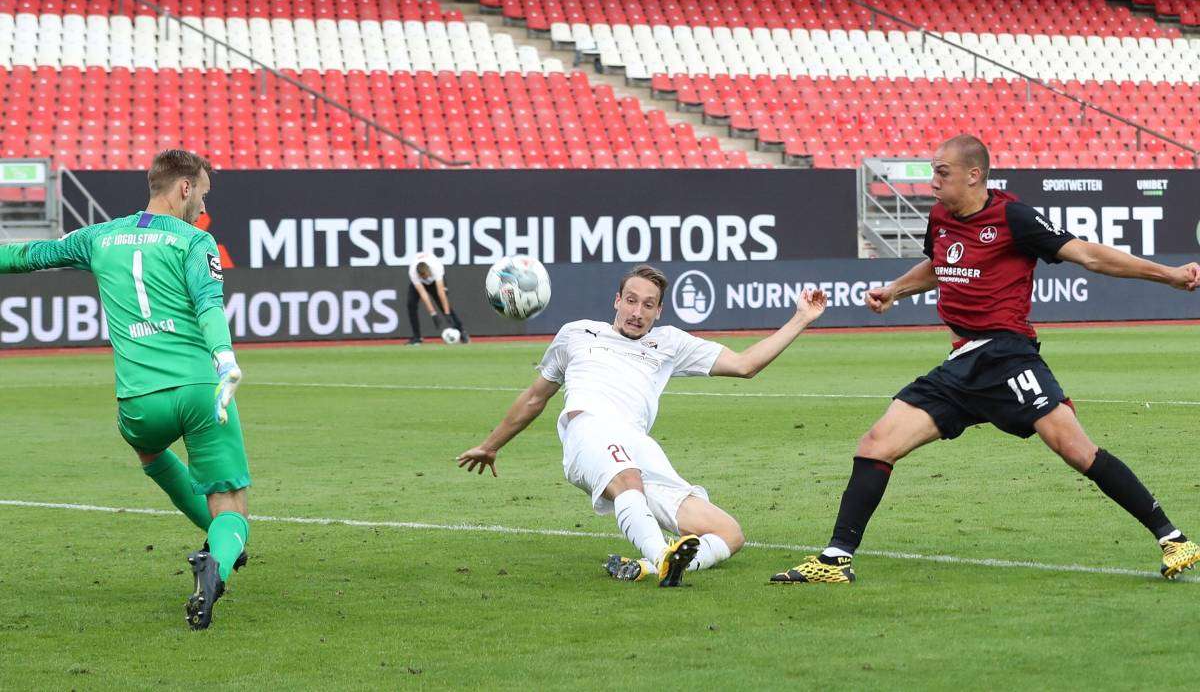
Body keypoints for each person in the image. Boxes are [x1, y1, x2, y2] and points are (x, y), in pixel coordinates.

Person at [771, 134, 1200, 585]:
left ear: (974, 175)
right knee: (876, 443)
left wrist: (1169, 275)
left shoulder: (1014, 217)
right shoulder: (940, 217)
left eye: (942, 172)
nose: (933, 182)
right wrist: (895, 288)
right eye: (932, 172)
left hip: (1006, 356)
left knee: (1075, 450)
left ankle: (1173, 537)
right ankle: (836, 559)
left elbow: (1089, 255)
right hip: (961, 364)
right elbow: (939, 265)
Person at [0, 150, 252, 628]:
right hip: (199, 390)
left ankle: (221, 547)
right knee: (232, 505)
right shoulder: (194, 241)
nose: (202, 205)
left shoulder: (99, 236)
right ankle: (218, 555)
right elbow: (209, 306)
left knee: (152, 455)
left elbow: (26, 256)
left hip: (137, 402)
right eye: (202, 193)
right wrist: (225, 359)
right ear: (183, 188)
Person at [457, 264, 828, 586]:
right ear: (616, 300)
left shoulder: (669, 344)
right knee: (628, 480)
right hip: (588, 429)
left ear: (659, 311)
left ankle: (656, 566)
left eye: (648, 305)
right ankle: (663, 555)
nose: (637, 311)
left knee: (729, 533)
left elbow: (746, 365)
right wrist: (491, 445)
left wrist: (801, 319)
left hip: (638, 444)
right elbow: (536, 397)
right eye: (631, 301)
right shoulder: (576, 334)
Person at [406, 251, 467, 344]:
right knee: (411, 304)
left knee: (444, 305)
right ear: (418, 275)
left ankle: (461, 331)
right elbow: (424, 295)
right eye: (423, 277)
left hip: (435, 283)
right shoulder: (413, 273)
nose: (426, 279)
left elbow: (441, 293)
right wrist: (433, 314)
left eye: (426, 276)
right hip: (420, 284)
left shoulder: (436, 268)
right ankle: (417, 337)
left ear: (429, 271)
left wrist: (447, 314)